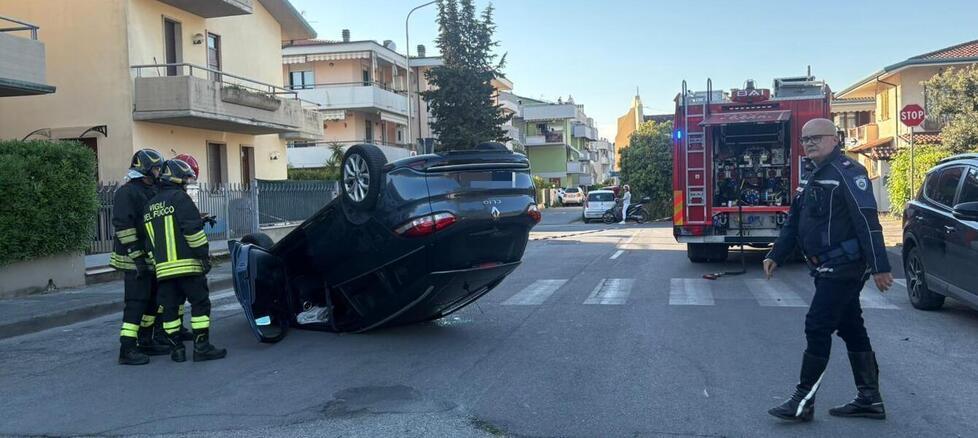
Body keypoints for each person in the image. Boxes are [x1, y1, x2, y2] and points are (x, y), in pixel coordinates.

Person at [764, 118, 894, 421]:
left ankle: (802, 402)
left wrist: (880, 266)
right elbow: (794, 222)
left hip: (844, 266)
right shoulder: (811, 176)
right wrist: (776, 254)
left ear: (834, 139)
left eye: (816, 138)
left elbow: (867, 221)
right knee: (851, 328)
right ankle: (870, 399)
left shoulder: (849, 173)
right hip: (824, 267)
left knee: (817, 325)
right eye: (805, 139)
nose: (809, 144)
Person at [144, 159, 227, 362]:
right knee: (200, 305)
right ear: (176, 178)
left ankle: (177, 350)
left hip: (163, 271)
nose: (186, 181)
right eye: (185, 177)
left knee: (170, 309)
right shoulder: (181, 199)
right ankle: (201, 347)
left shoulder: (149, 206)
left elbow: (149, 243)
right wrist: (204, 256)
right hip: (189, 267)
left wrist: (158, 266)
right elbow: (193, 232)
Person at [113, 149, 170, 365]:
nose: (158, 172)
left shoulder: (151, 189)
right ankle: (127, 349)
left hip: (151, 257)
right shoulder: (126, 193)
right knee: (136, 303)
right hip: (134, 259)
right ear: (145, 169)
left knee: (152, 301)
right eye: (156, 168)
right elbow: (124, 227)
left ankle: (146, 341)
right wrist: (137, 257)